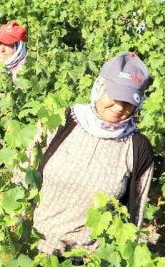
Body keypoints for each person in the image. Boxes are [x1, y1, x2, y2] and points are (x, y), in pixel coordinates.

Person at [33, 52, 154, 255]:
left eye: (128, 102)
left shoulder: (137, 148)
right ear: (99, 88)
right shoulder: (60, 122)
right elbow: (23, 175)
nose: (119, 107)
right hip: (34, 246)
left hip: (88, 263)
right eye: (114, 97)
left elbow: (136, 213)